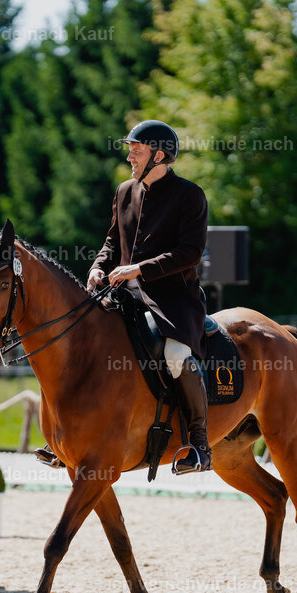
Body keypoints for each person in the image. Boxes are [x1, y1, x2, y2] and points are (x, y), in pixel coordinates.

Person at [88, 120, 212, 475]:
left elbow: (190, 253)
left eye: (136, 150)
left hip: (173, 300)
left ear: (159, 155)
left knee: (175, 355)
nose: (130, 156)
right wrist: (98, 267)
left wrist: (138, 269)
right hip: (122, 295)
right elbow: (112, 243)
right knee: (81, 337)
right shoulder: (125, 191)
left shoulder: (190, 195)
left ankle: (199, 445)